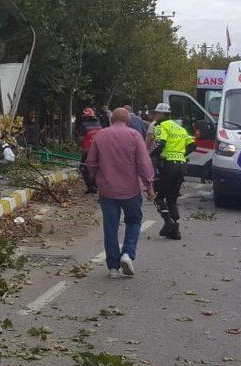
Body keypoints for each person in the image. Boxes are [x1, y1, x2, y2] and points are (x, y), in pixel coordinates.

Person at [86, 108, 156, 278]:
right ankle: (127, 254)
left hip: (107, 190)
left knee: (110, 227)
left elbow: (91, 162)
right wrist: (149, 186)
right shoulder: (134, 135)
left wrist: (96, 178)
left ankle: (113, 268)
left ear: (111, 120)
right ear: (128, 121)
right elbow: (144, 163)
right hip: (131, 190)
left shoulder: (101, 135)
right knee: (134, 220)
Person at [150, 102, 192, 240]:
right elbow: (193, 145)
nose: (155, 116)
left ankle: (169, 221)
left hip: (167, 165)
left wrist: (149, 155)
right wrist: (181, 155)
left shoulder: (161, 126)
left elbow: (160, 144)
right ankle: (176, 231)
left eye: (156, 113)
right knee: (172, 199)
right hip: (181, 165)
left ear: (162, 114)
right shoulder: (180, 128)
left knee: (158, 195)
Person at [75, 107, 103, 193]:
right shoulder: (98, 125)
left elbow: (81, 138)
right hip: (98, 150)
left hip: (87, 150)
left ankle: (91, 187)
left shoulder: (84, 125)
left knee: (83, 167)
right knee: (96, 167)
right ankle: (95, 185)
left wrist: (78, 143)